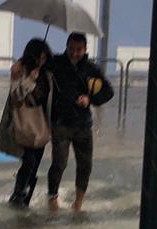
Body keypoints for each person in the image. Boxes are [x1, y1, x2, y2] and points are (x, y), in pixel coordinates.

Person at [47, 32, 114, 212]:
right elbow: (37, 61)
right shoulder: (57, 63)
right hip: (60, 122)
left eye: (78, 50)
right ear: (66, 47)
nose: (74, 53)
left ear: (85, 50)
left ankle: (78, 203)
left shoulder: (91, 69)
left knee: (85, 165)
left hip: (83, 125)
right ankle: (52, 198)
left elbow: (108, 91)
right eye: (71, 49)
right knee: (59, 163)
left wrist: (90, 99)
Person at [0, 39, 53, 206]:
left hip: (42, 124)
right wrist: (30, 79)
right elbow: (16, 96)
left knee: (35, 162)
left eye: (44, 58)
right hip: (24, 123)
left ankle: (26, 196)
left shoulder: (48, 72)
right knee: (28, 160)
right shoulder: (19, 70)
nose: (41, 62)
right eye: (38, 58)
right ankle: (18, 194)